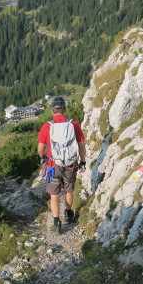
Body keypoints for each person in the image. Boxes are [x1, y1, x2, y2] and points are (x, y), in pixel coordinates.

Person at [38, 97, 86, 233]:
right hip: (70, 164)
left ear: (52, 110)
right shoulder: (74, 124)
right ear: (64, 109)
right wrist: (83, 162)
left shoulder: (47, 126)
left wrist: (42, 158)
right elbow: (81, 146)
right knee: (68, 190)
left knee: (54, 195)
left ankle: (56, 222)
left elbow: (40, 148)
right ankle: (69, 213)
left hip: (53, 165)